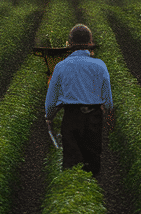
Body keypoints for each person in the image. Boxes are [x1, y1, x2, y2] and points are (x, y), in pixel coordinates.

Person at [45, 24, 113, 176]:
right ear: (90, 42)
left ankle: (74, 189)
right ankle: (91, 188)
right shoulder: (99, 66)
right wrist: (109, 117)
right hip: (93, 118)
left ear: (70, 43)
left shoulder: (60, 66)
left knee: (72, 161)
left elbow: (51, 100)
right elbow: (108, 100)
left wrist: (49, 117)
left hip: (72, 118)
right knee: (92, 159)